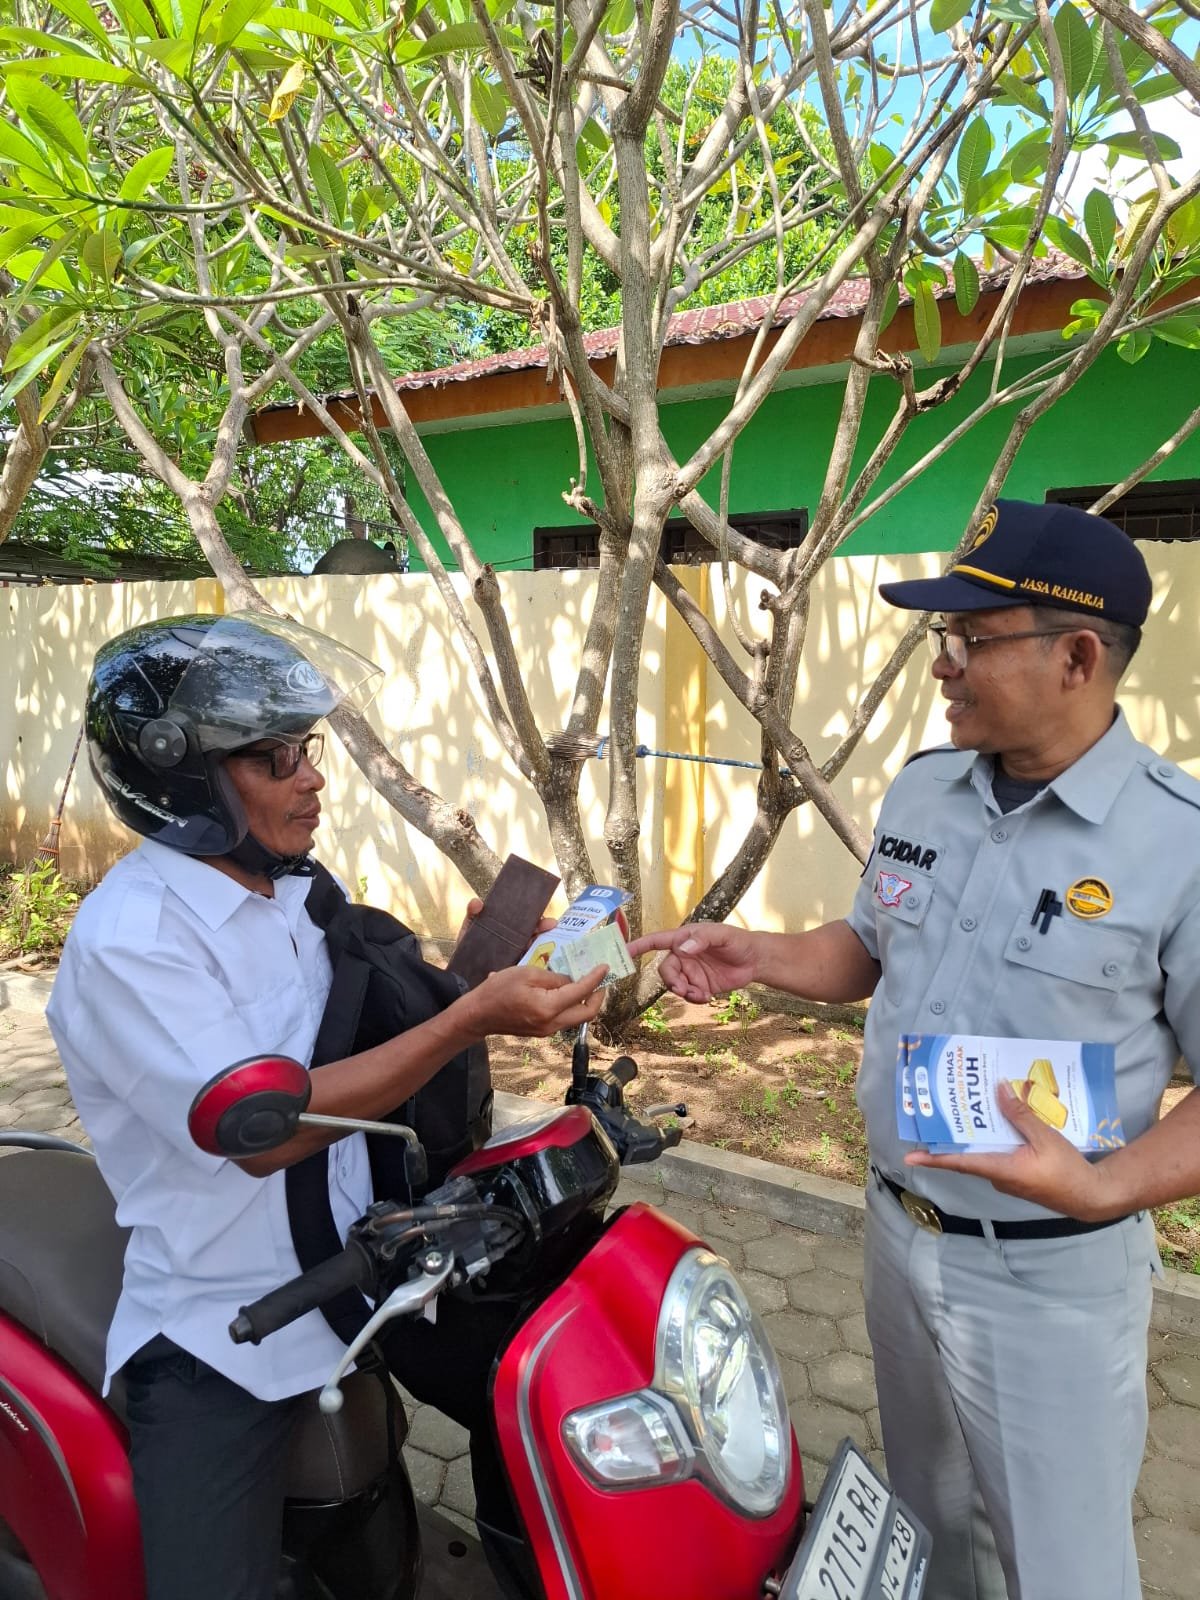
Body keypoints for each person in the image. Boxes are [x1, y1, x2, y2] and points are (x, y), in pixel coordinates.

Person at [630, 499, 1200, 1600]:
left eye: (970, 639)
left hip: (1051, 1276)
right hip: (897, 1232)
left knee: (1063, 1567)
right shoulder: (928, 788)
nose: (942, 667)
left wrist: (1101, 1187)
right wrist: (758, 954)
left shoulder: (1178, 843)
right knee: (933, 1530)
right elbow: (868, 948)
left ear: (1077, 656)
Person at [47, 610, 606, 1600]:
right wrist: (472, 1013)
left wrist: (487, 972)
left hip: (368, 1266)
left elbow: (366, 1017)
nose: (312, 776)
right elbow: (271, 1130)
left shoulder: (291, 889)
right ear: (188, 784)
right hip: (227, 1325)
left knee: (566, 1410)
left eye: (305, 749)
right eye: (275, 759)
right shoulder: (134, 941)